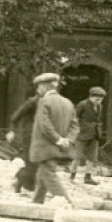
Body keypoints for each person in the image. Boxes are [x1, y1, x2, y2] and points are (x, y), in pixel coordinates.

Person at [28, 72, 78, 205]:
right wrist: (68, 139)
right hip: (61, 146)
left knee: (48, 173)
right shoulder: (68, 102)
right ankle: (37, 201)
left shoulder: (44, 101)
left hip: (46, 146)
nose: (38, 90)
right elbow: (74, 125)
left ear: (45, 86)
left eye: (39, 86)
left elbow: (44, 124)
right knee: (42, 172)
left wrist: (57, 139)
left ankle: (67, 202)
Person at [70, 86, 106, 185]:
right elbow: (75, 118)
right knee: (77, 155)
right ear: (91, 96)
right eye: (96, 99)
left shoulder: (100, 106)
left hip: (94, 134)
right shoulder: (83, 104)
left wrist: (98, 127)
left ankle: (88, 177)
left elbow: (98, 119)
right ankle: (72, 176)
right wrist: (76, 130)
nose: (98, 101)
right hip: (82, 133)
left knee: (92, 156)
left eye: (101, 100)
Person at [5, 91, 40, 194]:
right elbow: (16, 117)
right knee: (31, 163)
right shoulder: (32, 102)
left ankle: (25, 183)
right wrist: (12, 130)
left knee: (39, 164)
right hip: (30, 137)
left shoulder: (49, 102)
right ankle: (20, 181)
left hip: (43, 138)